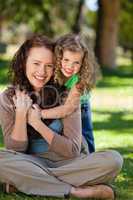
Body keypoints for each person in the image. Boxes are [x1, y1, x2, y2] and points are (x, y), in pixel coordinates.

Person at [0, 34, 123, 199]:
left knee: (114, 160)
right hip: (31, 162)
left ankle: (26, 183)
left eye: (49, 65)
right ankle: (76, 191)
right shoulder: (8, 97)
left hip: (68, 162)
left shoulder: (67, 94)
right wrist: (21, 115)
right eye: (36, 63)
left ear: (56, 65)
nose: (42, 72)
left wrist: (37, 123)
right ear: (23, 63)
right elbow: (16, 151)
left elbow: (72, 151)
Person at [41, 34, 99, 153]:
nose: (70, 67)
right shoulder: (54, 70)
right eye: (66, 60)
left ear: (82, 63)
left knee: (85, 133)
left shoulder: (79, 81)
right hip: (61, 100)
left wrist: (40, 114)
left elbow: (67, 109)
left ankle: (91, 157)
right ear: (59, 57)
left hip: (80, 105)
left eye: (76, 63)